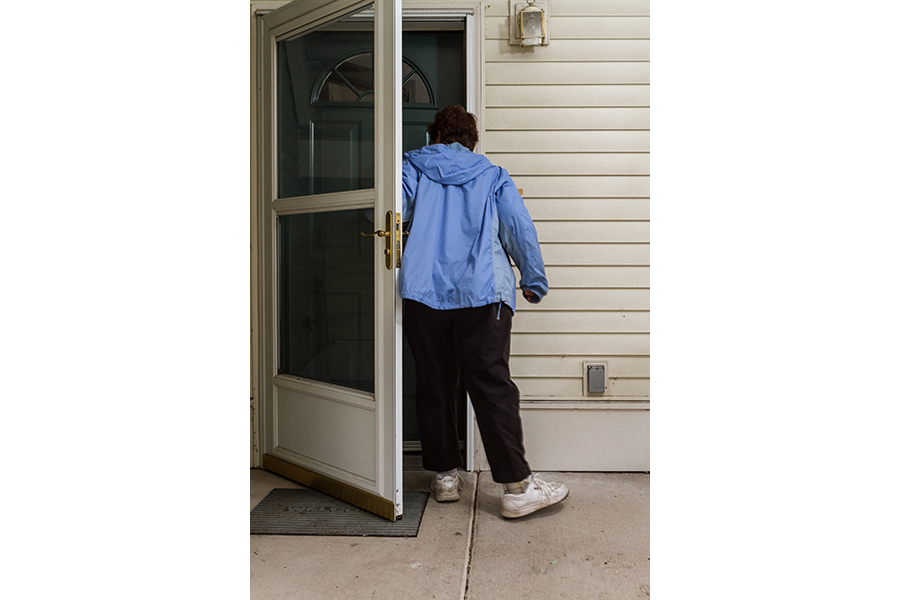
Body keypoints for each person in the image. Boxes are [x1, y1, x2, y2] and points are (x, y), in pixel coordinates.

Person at [399, 105, 569, 519]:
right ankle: (516, 488)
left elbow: (385, 215)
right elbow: (517, 226)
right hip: (483, 294)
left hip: (423, 293)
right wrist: (534, 278)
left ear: (434, 137)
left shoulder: (411, 166)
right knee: (492, 386)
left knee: (434, 383)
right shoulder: (492, 175)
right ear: (472, 141)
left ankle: (444, 477)